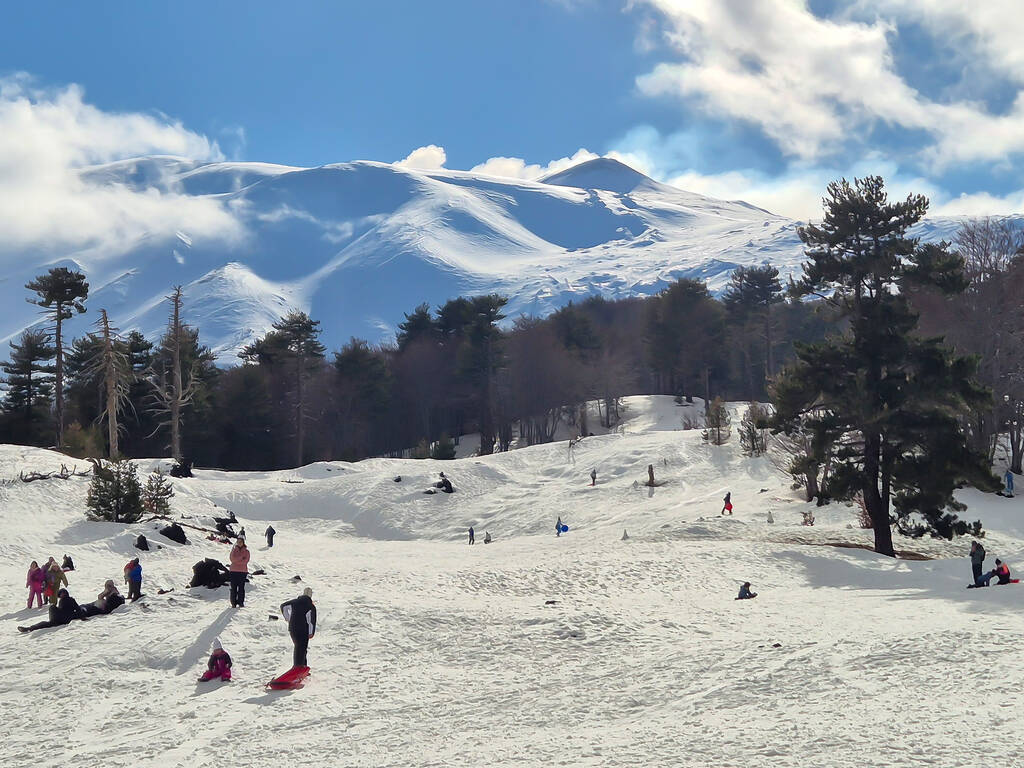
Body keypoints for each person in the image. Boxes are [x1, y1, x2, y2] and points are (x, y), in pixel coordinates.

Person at [281, 587, 317, 669]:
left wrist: (288, 618)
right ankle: (298, 667)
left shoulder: (294, 602)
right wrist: (311, 633)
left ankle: (302, 666)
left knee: (298, 646)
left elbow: (283, 606)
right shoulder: (311, 606)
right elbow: (311, 621)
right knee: (302, 648)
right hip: (303, 629)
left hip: (292, 628)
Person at [18, 589, 84, 632]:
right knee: (45, 623)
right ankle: (30, 628)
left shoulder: (66, 600)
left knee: (51, 608)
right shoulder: (70, 600)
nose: (63, 595)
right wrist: (81, 617)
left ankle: (30, 628)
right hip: (64, 619)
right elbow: (77, 609)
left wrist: (81, 617)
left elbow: (77, 609)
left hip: (61, 619)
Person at [228, 537, 250, 608]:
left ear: (243, 543)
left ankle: (241, 602)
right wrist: (241, 558)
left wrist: (237, 560)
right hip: (233, 571)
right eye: (238, 542)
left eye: (241, 542)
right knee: (233, 588)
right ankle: (233, 602)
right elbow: (232, 559)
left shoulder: (247, 552)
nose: (239, 543)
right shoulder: (233, 551)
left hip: (242, 572)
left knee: (241, 588)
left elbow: (245, 561)